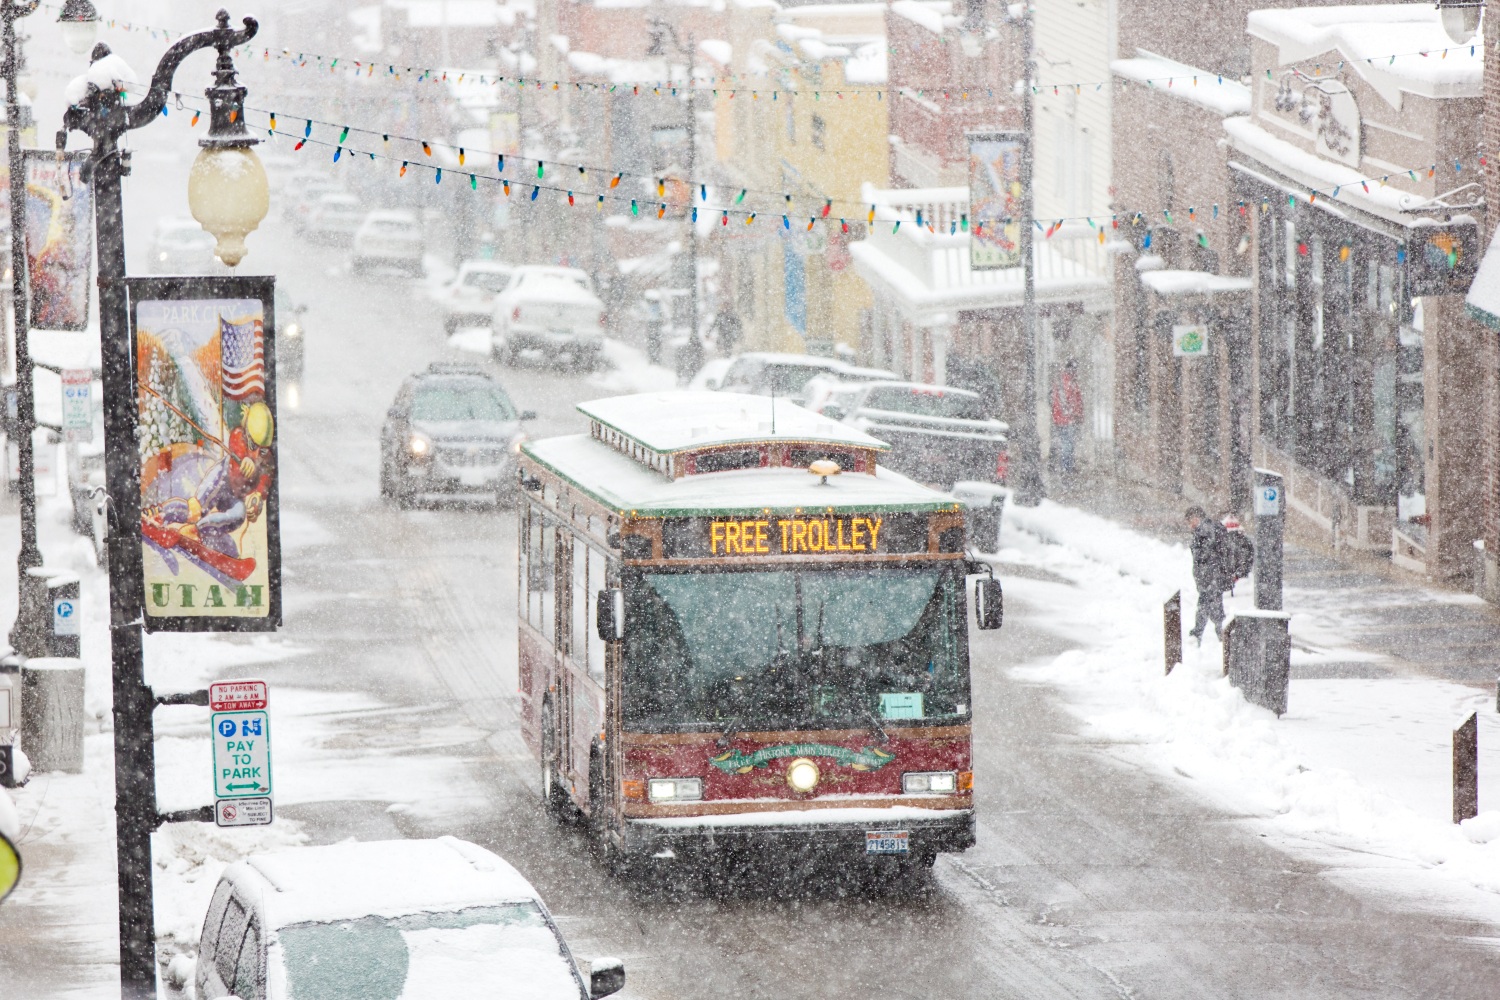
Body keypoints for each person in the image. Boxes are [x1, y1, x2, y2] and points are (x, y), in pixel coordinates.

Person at [1185, 505, 1229, 644]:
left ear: (1196, 518)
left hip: (1211, 577)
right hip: (1211, 577)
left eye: (1190, 521)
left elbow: (1206, 555)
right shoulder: (1207, 529)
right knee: (1213, 606)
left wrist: (1207, 574)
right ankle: (1222, 635)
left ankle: (1216, 635)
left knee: (1206, 605)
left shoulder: (1204, 531)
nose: (1189, 525)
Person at [1050, 358, 1084, 476]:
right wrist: (1073, 414)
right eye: (1074, 370)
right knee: (1067, 443)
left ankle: (1069, 466)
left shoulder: (1069, 382)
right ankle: (1066, 467)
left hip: (1066, 418)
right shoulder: (1066, 382)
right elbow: (1067, 402)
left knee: (1069, 443)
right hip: (1065, 419)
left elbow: (1076, 400)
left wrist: (1079, 414)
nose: (1075, 372)